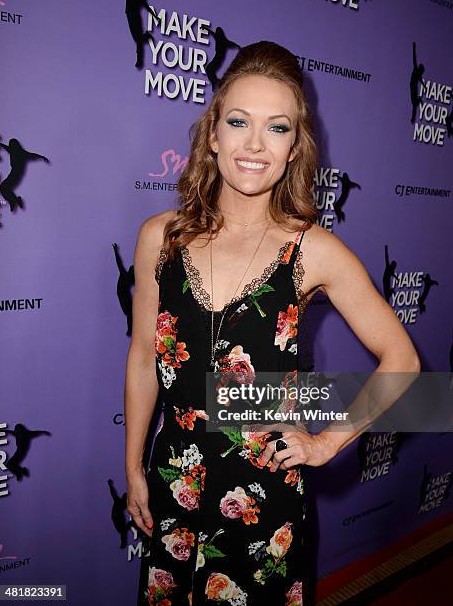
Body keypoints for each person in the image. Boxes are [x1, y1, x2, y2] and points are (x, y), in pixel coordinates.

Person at [125, 41, 420, 605]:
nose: (255, 144)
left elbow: (402, 361)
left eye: (277, 128)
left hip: (263, 492)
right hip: (175, 477)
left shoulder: (313, 250)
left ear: (294, 150)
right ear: (212, 136)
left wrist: (326, 444)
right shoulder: (160, 237)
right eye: (238, 122)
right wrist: (134, 466)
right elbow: (143, 356)